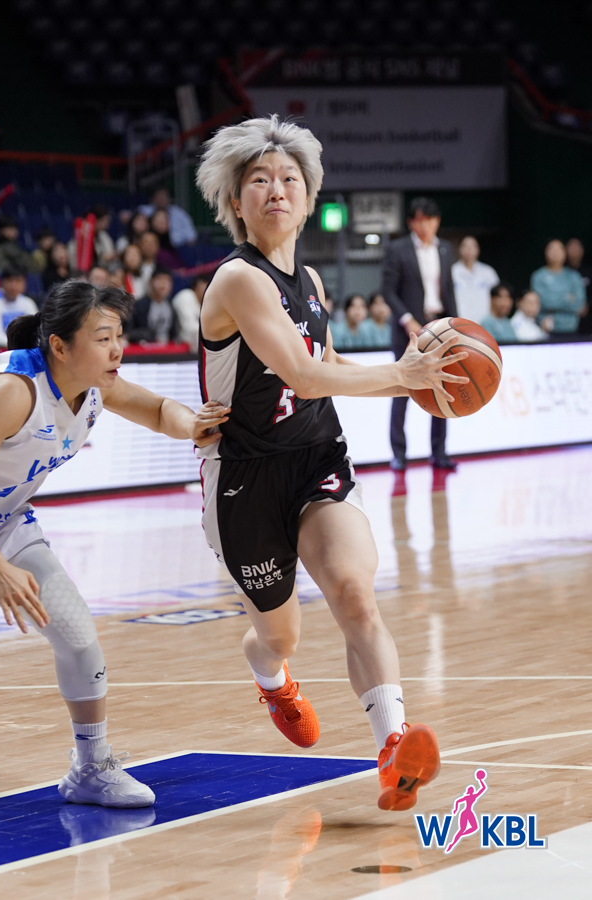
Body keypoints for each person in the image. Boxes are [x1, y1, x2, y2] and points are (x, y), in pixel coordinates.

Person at [195, 116, 469, 811]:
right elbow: (303, 374)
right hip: (245, 477)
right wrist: (403, 377)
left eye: (289, 179)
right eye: (259, 180)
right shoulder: (237, 280)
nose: (276, 190)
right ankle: (272, 678)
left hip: (316, 454)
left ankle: (393, 746)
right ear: (235, 201)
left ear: (309, 198)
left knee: (353, 592)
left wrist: (405, 378)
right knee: (278, 635)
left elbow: (326, 362)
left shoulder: (311, 278)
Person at [0, 279, 229, 807]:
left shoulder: (93, 387)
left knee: (78, 635)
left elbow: (159, 409)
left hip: (3, 521)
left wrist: (194, 425)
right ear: (59, 346)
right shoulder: (12, 392)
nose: (117, 348)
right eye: (103, 338)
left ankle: (91, 767)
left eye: (119, 335)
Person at [382, 196, 458, 472]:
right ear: (411, 223)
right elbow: (388, 291)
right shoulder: (397, 249)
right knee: (402, 390)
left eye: (430, 220)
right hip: (409, 330)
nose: (425, 225)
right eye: (420, 220)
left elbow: (448, 290)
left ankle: (439, 452)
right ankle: (399, 454)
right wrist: (407, 320)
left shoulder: (446, 249)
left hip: (439, 326)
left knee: (442, 388)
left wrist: (456, 325)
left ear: (437, 221)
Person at [530, 239, 585, 334]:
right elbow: (542, 302)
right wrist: (566, 297)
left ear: (565, 253)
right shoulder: (538, 276)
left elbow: (578, 304)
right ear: (546, 252)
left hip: (571, 329)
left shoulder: (574, 276)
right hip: (545, 329)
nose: (555, 253)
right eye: (552, 249)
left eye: (559, 249)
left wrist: (552, 296)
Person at [451, 236, 499, 324]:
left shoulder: (488, 272)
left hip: (484, 323)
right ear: (459, 249)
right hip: (459, 322)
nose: (469, 249)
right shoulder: (452, 272)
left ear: (478, 249)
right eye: (465, 246)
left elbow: (496, 298)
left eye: (472, 246)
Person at [127, 265, 179, 344]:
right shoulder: (139, 305)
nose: (163, 284)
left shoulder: (172, 306)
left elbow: (174, 334)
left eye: (167, 280)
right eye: (159, 279)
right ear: (151, 282)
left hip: (167, 348)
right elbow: (130, 333)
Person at [0, 267, 38, 348]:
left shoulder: (28, 303)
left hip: (24, 348)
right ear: (2, 282)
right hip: (1, 350)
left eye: (18, 281)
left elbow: (36, 331)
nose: (14, 286)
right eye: (10, 281)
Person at [68, 204, 117, 271]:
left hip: (101, 270)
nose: (107, 224)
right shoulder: (77, 237)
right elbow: (74, 261)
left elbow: (109, 253)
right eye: (104, 220)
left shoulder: (103, 236)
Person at [171, 274, 209, 352]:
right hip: (177, 343)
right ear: (196, 286)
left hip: (193, 347)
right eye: (204, 284)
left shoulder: (207, 303)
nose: (206, 288)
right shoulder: (186, 296)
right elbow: (189, 328)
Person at [565, 237, 592, 336]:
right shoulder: (562, 272)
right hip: (566, 319)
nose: (574, 250)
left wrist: (588, 305)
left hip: (587, 318)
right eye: (571, 247)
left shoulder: (589, 271)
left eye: (577, 247)